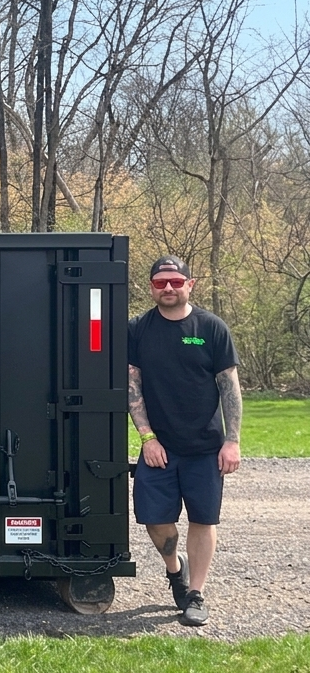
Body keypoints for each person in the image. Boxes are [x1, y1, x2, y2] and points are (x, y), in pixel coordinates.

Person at [127, 255, 242, 627]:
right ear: (151, 288)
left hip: (205, 447)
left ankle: (195, 593)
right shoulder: (139, 330)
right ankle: (174, 569)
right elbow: (133, 388)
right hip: (159, 447)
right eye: (161, 283)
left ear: (190, 285)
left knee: (203, 520)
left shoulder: (211, 327)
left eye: (176, 281)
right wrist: (147, 438)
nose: (169, 288)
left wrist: (232, 440)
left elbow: (230, 388)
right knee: (154, 519)